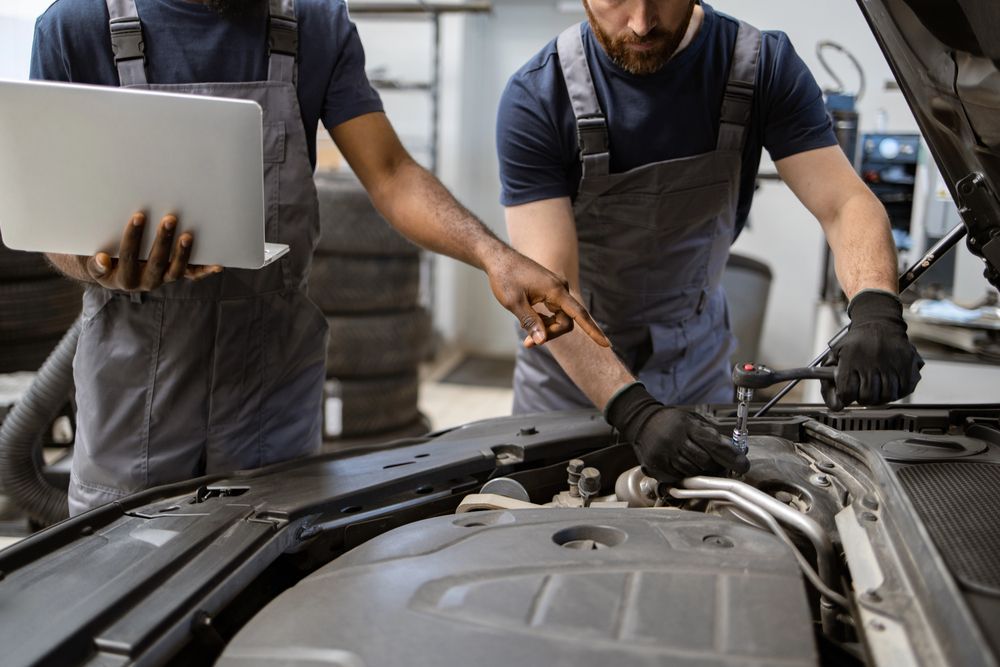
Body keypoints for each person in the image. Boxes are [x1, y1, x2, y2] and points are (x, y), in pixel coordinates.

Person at [31, 0, 609, 515]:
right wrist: (99, 266)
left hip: (271, 383)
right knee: (125, 572)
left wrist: (492, 254)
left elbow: (390, 173)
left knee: (271, 572)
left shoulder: (313, 23)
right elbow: (51, 214)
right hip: (133, 390)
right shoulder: (76, 27)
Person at [497, 0, 923, 484]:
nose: (641, 22)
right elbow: (550, 293)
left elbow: (845, 203)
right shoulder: (538, 96)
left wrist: (874, 306)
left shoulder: (761, 68)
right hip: (570, 375)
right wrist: (635, 411)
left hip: (693, 360)